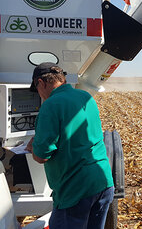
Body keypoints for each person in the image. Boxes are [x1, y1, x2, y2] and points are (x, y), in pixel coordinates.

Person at [26, 62, 114, 229]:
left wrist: (33, 147)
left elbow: (41, 156)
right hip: (102, 182)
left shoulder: (50, 105)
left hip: (75, 191)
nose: (39, 94)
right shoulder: (85, 97)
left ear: (41, 82)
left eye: (37, 88)